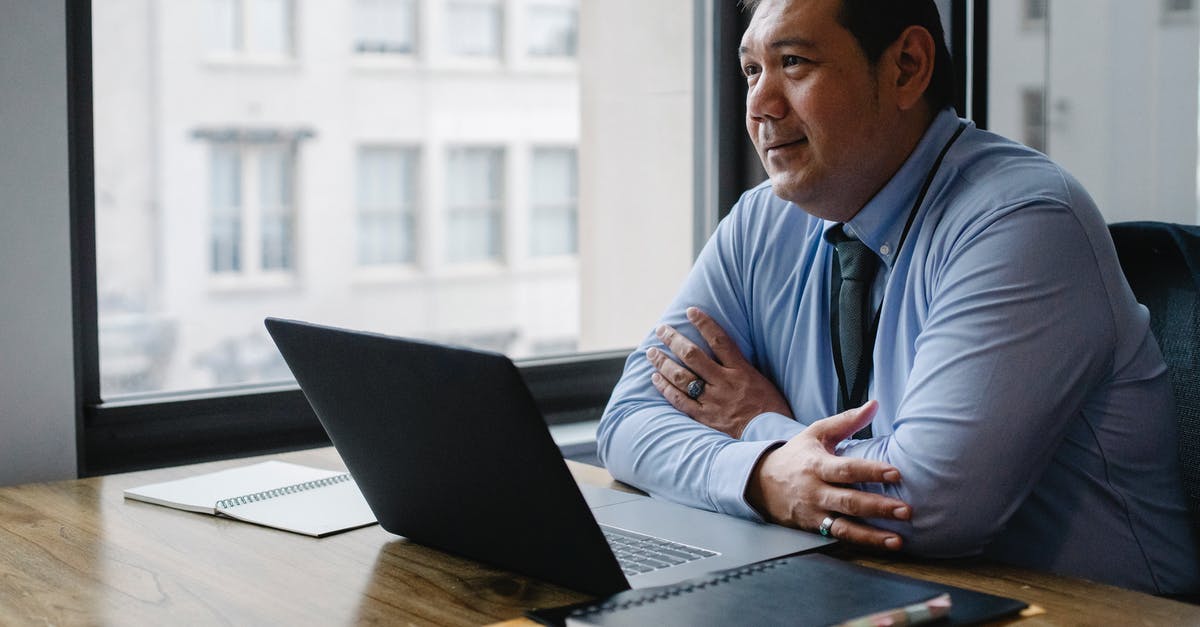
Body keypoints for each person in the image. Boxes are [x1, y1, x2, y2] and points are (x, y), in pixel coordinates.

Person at [597, 0, 1200, 595]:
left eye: (795, 62)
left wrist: (756, 426)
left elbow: (926, 506)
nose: (758, 105)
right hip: (870, 590)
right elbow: (627, 422)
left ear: (907, 67)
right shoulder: (763, 220)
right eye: (753, 70)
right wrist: (766, 473)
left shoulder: (1025, 220)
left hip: (1086, 610)